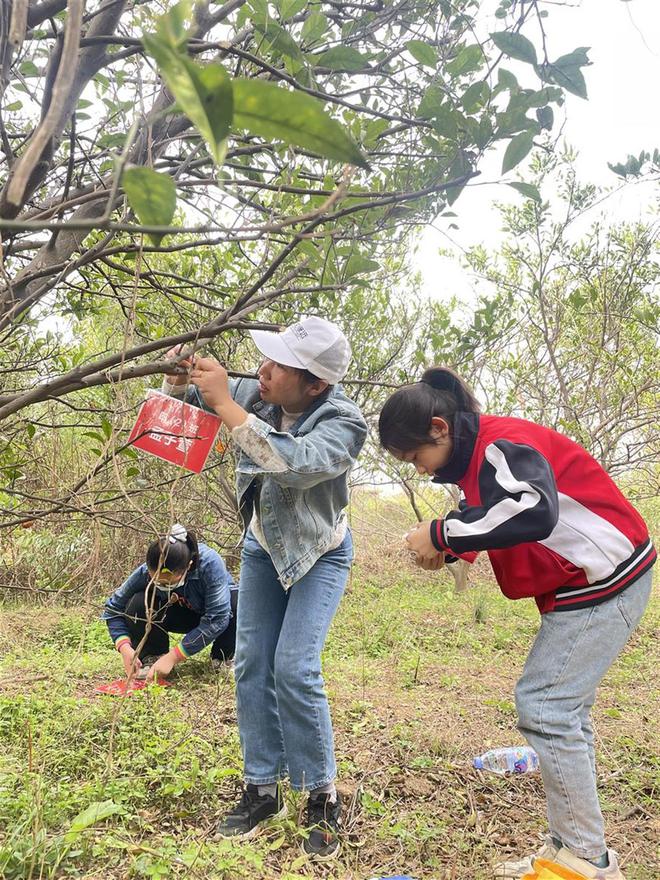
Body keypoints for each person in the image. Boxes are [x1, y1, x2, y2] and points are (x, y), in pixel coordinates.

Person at [378, 366, 655, 880]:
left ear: (439, 428)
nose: (418, 470)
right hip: (588, 580)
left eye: (415, 457)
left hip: (606, 573)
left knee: (546, 706)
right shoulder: (475, 458)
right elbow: (490, 514)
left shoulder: (501, 444)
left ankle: (588, 863)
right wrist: (457, 550)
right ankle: (572, 847)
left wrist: (442, 533)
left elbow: (534, 510)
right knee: (563, 713)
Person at [163, 316, 367, 860]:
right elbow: (187, 409)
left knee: (294, 666)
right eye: (267, 359)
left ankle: (320, 794)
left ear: (317, 384)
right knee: (252, 662)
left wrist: (227, 405)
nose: (264, 370)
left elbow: (291, 463)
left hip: (320, 552)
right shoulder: (259, 390)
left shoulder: (344, 424)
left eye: (280, 366)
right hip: (261, 545)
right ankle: (262, 789)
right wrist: (181, 379)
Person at [102, 524, 237, 682]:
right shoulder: (145, 571)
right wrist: (124, 648)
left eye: (169, 583)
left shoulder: (210, 564)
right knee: (138, 602)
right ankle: (153, 656)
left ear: (189, 566)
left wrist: (174, 657)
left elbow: (218, 618)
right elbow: (113, 609)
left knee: (237, 601)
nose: (162, 585)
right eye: (157, 580)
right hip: (176, 614)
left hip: (212, 615)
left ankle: (222, 658)